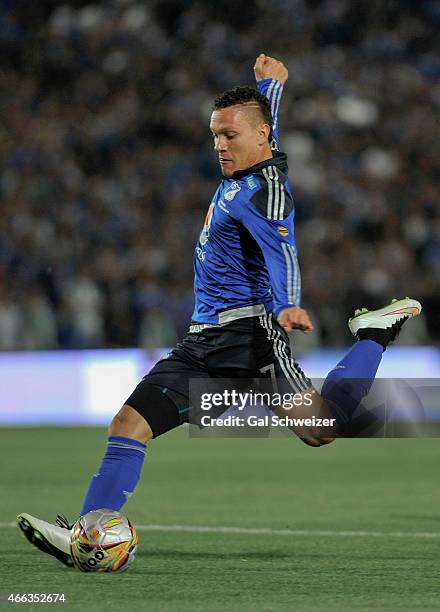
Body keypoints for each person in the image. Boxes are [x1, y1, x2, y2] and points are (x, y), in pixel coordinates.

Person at [17, 55, 421, 567]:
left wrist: (290, 302)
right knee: (127, 424)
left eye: (228, 137)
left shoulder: (265, 194)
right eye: (215, 136)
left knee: (323, 429)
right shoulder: (256, 153)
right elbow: (259, 122)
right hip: (200, 344)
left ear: (260, 137)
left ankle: (375, 334)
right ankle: (88, 534)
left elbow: (284, 253)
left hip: (250, 343)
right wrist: (268, 87)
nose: (219, 145)